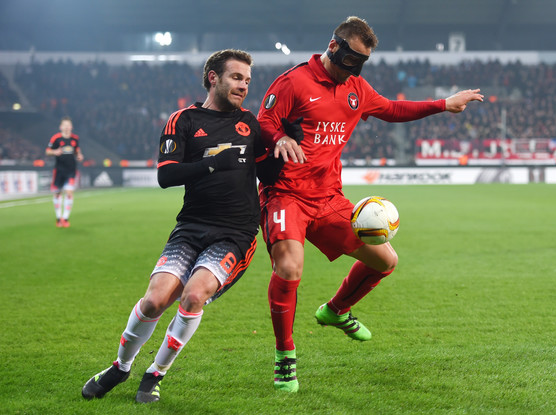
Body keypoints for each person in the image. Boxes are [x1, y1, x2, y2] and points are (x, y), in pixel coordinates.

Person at [257, 16, 484, 393]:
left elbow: (393, 110)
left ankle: (336, 310)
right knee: (290, 267)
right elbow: (265, 119)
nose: (355, 69)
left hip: (328, 196)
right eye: (352, 59)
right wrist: (279, 136)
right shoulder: (294, 82)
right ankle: (285, 357)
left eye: (363, 62)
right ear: (334, 47)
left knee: (386, 260)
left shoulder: (356, 88)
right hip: (285, 193)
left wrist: (444, 104)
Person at [82, 49, 275, 403]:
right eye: (236, 77)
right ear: (213, 77)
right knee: (155, 300)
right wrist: (215, 162)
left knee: (193, 295)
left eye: (247, 80)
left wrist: (289, 139)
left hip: (235, 234)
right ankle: (121, 367)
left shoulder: (251, 123)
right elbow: (166, 175)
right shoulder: (182, 120)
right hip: (190, 227)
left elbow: (271, 172)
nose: (244, 86)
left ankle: (154, 374)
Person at [46, 116, 83, 228]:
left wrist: (79, 156)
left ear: (71, 127)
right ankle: (58, 218)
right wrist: (54, 151)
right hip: (59, 170)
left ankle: (65, 218)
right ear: (61, 127)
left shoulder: (75, 139)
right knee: (57, 193)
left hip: (71, 170)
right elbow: (47, 151)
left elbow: (77, 151)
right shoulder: (56, 138)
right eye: (64, 125)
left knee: (69, 192)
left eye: (68, 125)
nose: (67, 127)